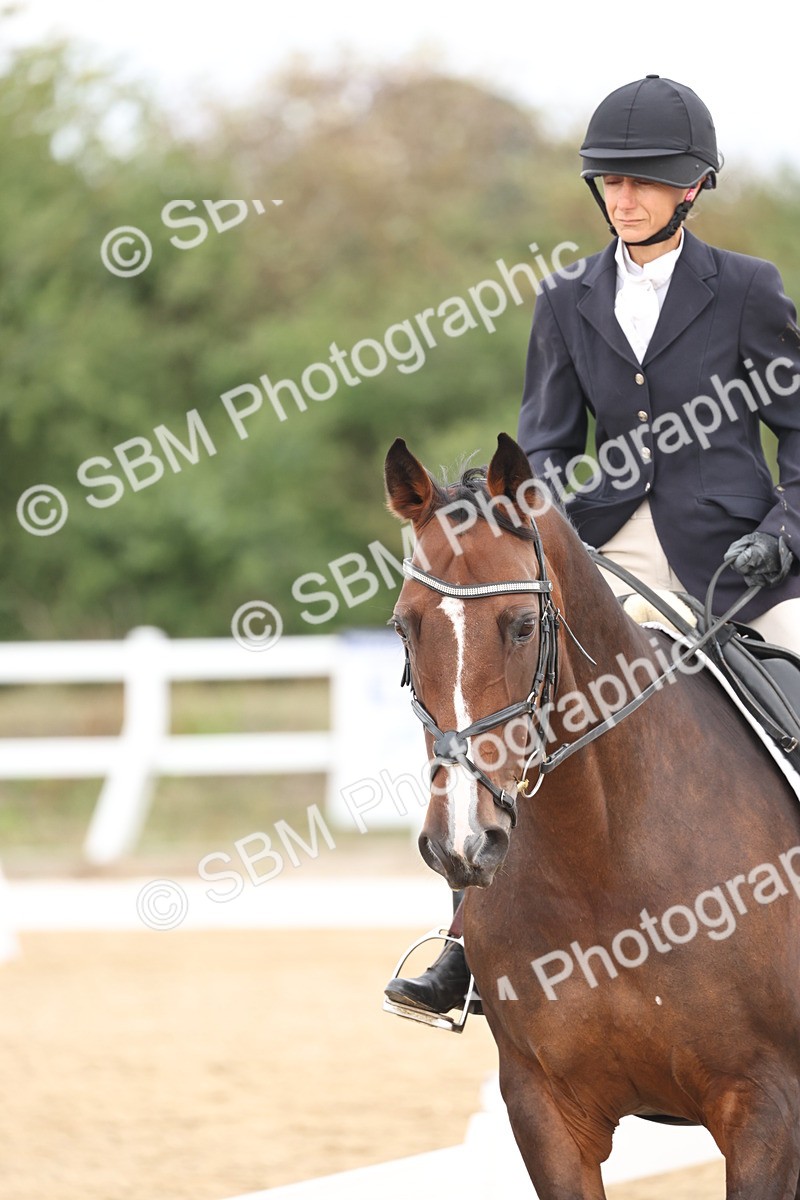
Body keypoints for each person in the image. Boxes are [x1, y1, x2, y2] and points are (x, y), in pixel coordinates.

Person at [384, 75, 800, 1020]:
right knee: (520, 705)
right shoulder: (567, 298)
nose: (626, 197)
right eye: (613, 180)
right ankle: (465, 943)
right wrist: (535, 543)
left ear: (691, 188)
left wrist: (781, 536)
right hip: (608, 546)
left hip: (739, 551)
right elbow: (538, 452)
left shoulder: (747, 290)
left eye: (645, 182)